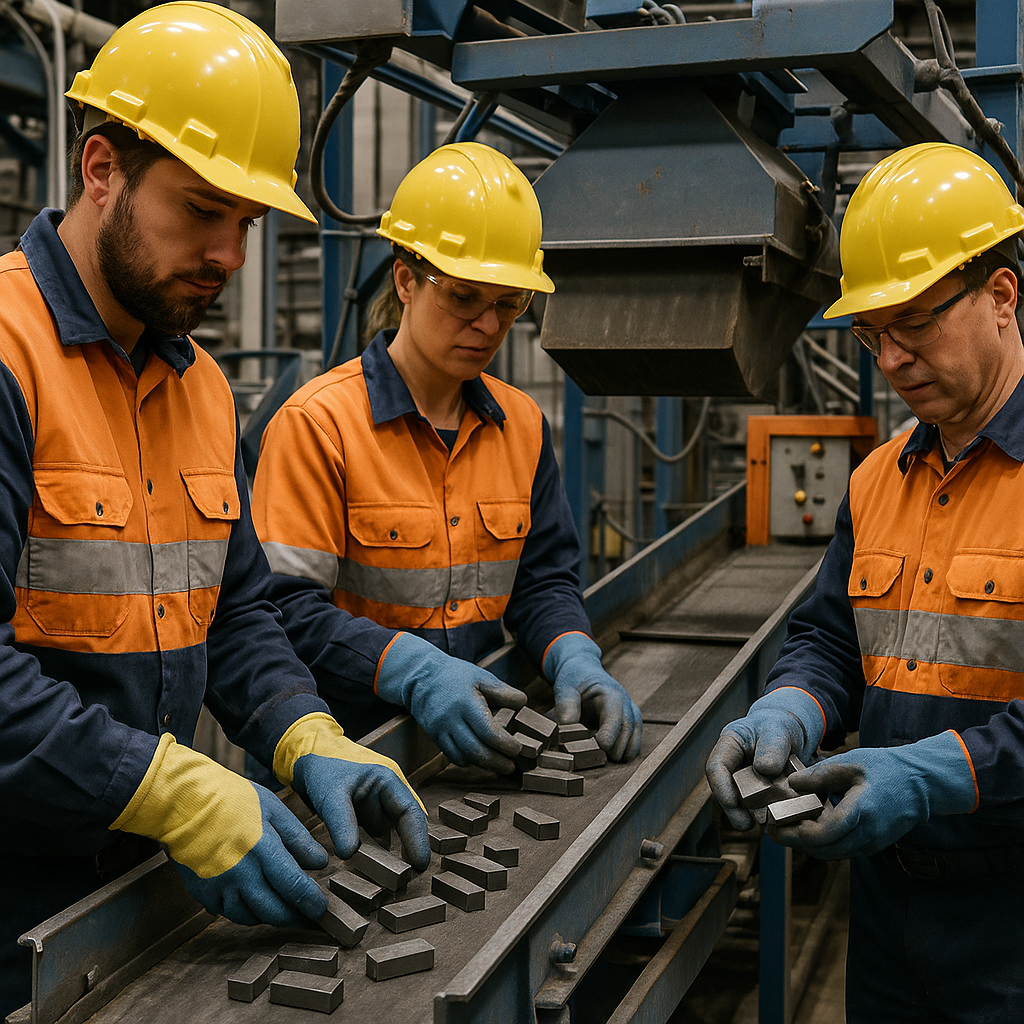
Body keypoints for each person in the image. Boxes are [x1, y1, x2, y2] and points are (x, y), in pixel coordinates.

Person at [0, 5, 429, 1017]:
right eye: (200, 210)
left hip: (137, 885)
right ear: (100, 169)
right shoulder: (8, 356)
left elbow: (235, 610)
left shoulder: (197, 384)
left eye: (246, 222)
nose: (230, 256)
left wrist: (303, 730)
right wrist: (174, 788)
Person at [706, 141, 1024, 1023]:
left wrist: (926, 777)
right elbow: (829, 637)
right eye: (871, 334)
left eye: (915, 323)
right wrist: (791, 709)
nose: (891, 359)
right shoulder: (877, 478)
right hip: (886, 915)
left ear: (1000, 295)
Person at [251, 142, 642, 774]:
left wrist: (575, 655)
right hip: (348, 762)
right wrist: (411, 669)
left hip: (477, 749)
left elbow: (542, 581)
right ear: (406, 279)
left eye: (508, 304)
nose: (487, 326)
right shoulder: (318, 426)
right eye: (463, 297)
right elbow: (280, 612)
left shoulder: (524, 427)